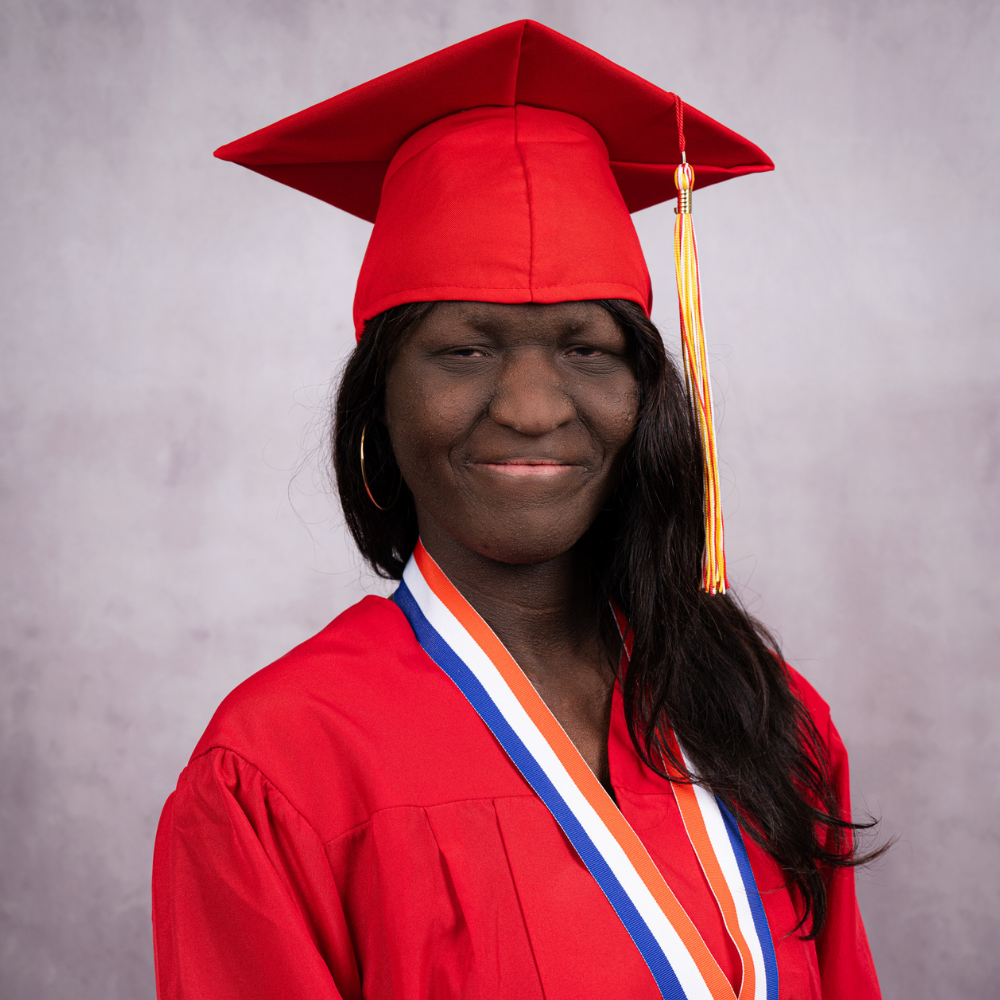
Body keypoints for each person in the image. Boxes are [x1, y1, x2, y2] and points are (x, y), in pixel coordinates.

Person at [152, 20, 883, 1000]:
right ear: (379, 399)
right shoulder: (278, 768)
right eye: (465, 348)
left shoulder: (763, 710)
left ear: (646, 395)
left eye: (586, 347)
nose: (534, 407)